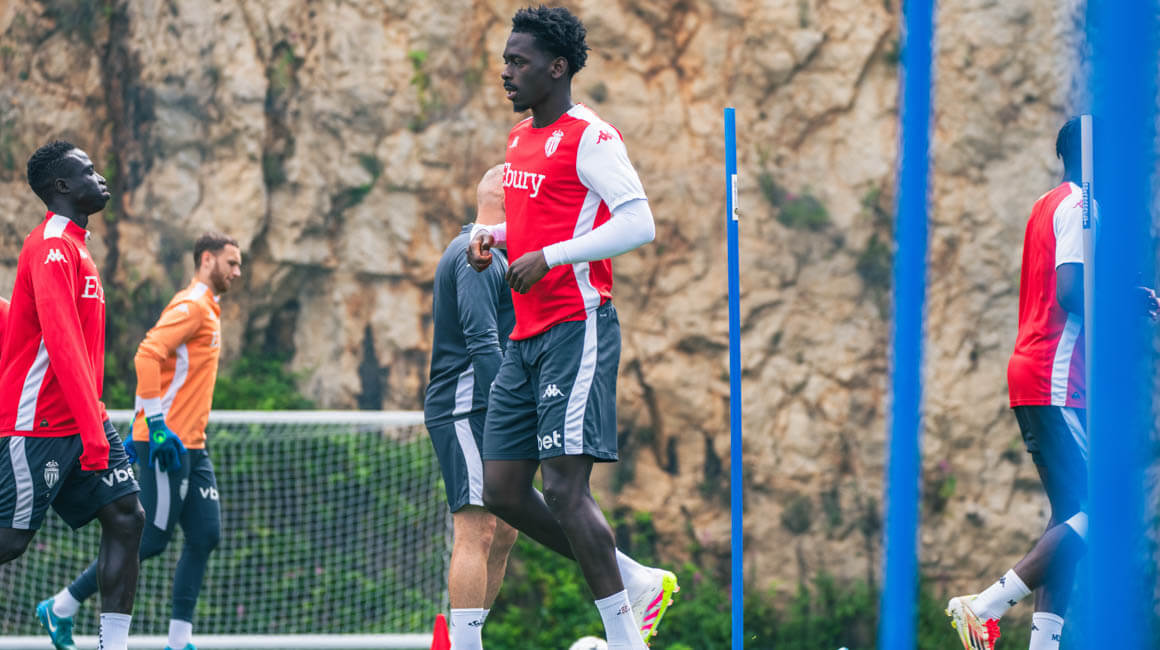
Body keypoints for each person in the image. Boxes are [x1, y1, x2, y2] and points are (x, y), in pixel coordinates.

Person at [467, 8, 676, 649]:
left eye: (519, 62)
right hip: (526, 336)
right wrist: (497, 236)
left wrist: (552, 257)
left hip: (576, 326)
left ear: (557, 68)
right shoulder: (519, 138)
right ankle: (635, 579)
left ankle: (624, 638)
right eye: (505, 61)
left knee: (563, 488)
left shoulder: (592, 136)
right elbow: (545, 221)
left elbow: (638, 223)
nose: (507, 72)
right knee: (502, 489)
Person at [946, 118, 1158, 650]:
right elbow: (1069, 292)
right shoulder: (1083, 205)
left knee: (1071, 520)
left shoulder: (1047, 203)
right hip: (1057, 375)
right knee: (1104, 506)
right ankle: (983, 607)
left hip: (1038, 370)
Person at [39, 231, 242, 650]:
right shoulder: (191, 305)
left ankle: (179, 642)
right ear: (207, 259)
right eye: (232, 263)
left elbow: (165, 375)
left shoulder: (209, 307)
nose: (237, 272)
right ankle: (61, 606)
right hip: (168, 445)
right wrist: (153, 427)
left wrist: (140, 423)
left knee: (205, 534)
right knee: (149, 538)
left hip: (193, 445)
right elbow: (147, 355)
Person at [0, 140, 144, 650]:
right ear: (62, 186)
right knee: (10, 542)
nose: (100, 177)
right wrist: (94, 435)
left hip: (83, 419)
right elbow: (61, 346)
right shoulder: (51, 246)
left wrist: (93, 424)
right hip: (39, 423)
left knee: (127, 517)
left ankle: (113, 646)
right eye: (88, 170)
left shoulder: (74, 246)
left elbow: (36, 328)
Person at [425, 165, 521, 649]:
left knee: (505, 530)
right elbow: (483, 343)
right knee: (478, 528)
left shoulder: (499, 254)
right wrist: (509, 410)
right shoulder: (474, 255)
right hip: (464, 406)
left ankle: (468, 637)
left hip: (487, 405)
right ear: (508, 198)